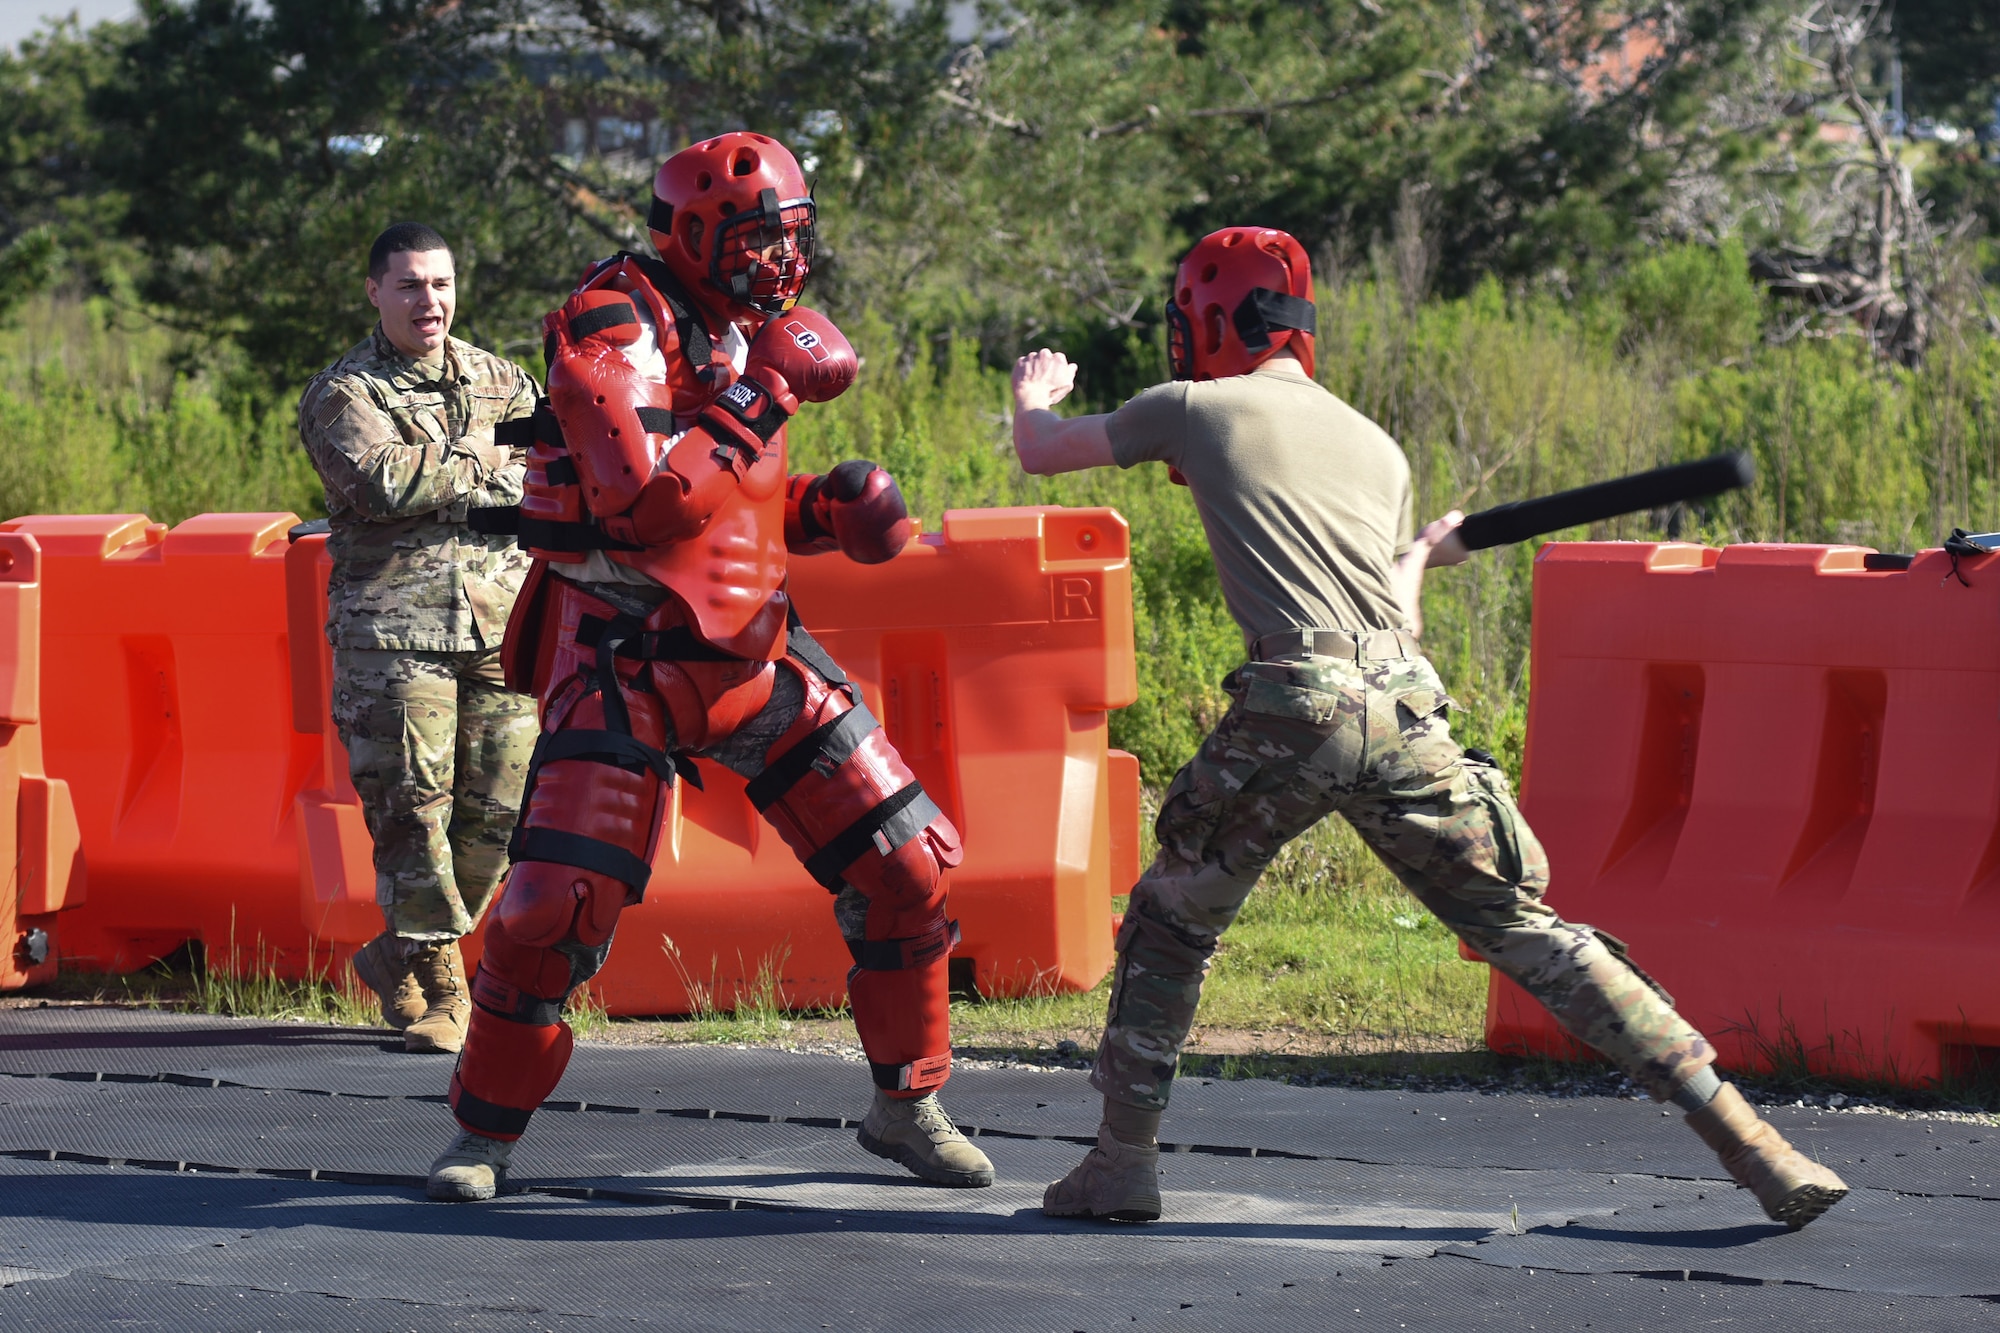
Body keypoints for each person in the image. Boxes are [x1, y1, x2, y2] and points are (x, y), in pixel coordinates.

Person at [1011, 225, 1850, 1230]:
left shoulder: (1191, 407)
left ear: (1208, 322)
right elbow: (1390, 620)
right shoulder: (1377, 447)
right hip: (1402, 700)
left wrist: (1035, 391)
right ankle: (1753, 1143)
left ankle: (1119, 1164)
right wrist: (1416, 556)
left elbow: (1040, 455)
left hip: (1297, 698)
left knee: (1170, 919)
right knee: (1527, 930)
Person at [424, 132, 992, 1201]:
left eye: (789, 238)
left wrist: (834, 511)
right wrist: (769, 390)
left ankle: (906, 1104)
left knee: (908, 859)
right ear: (690, 232)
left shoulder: (738, 332)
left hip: (746, 643)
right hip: (623, 651)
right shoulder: (611, 323)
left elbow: (735, 502)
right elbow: (644, 506)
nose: (779, 264)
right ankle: (480, 1134)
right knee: (555, 906)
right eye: (756, 240)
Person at [297, 223, 541, 1055]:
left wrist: (454, 463)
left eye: (438, 283)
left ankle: (396, 949)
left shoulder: (504, 378)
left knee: (503, 812)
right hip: (395, 632)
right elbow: (384, 480)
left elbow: (551, 466)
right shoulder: (343, 394)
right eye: (408, 285)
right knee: (412, 811)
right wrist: (482, 459)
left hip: (505, 621)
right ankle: (442, 989)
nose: (427, 300)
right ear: (374, 292)